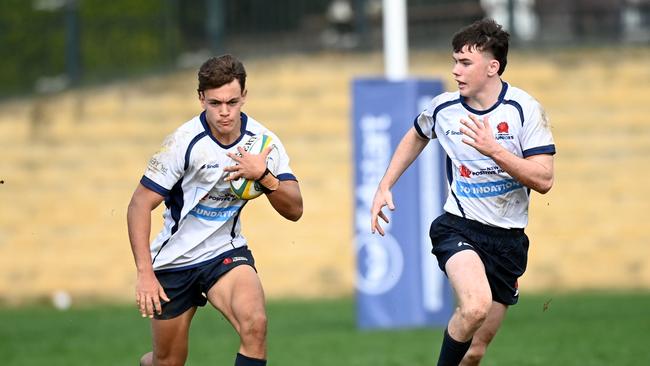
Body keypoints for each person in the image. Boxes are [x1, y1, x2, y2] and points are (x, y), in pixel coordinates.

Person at [370, 19, 555, 366]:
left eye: (465, 62)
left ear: (492, 67)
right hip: (459, 227)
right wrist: (384, 185)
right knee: (474, 307)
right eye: (455, 61)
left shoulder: (523, 110)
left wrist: (495, 150)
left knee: (474, 352)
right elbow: (417, 134)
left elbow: (544, 180)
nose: (455, 70)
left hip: (508, 241)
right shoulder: (444, 108)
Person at [127, 54, 303, 366]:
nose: (224, 112)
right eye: (215, 103)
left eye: (232, 102)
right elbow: (139, 204)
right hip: (175, 260)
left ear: (244, 97)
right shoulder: (183, 143)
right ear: (201, 99)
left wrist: (263, 176)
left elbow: (295, 209)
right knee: (168, 361)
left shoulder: (263, 144)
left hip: (225, 251)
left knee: (255, 325)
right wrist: (144, 273)